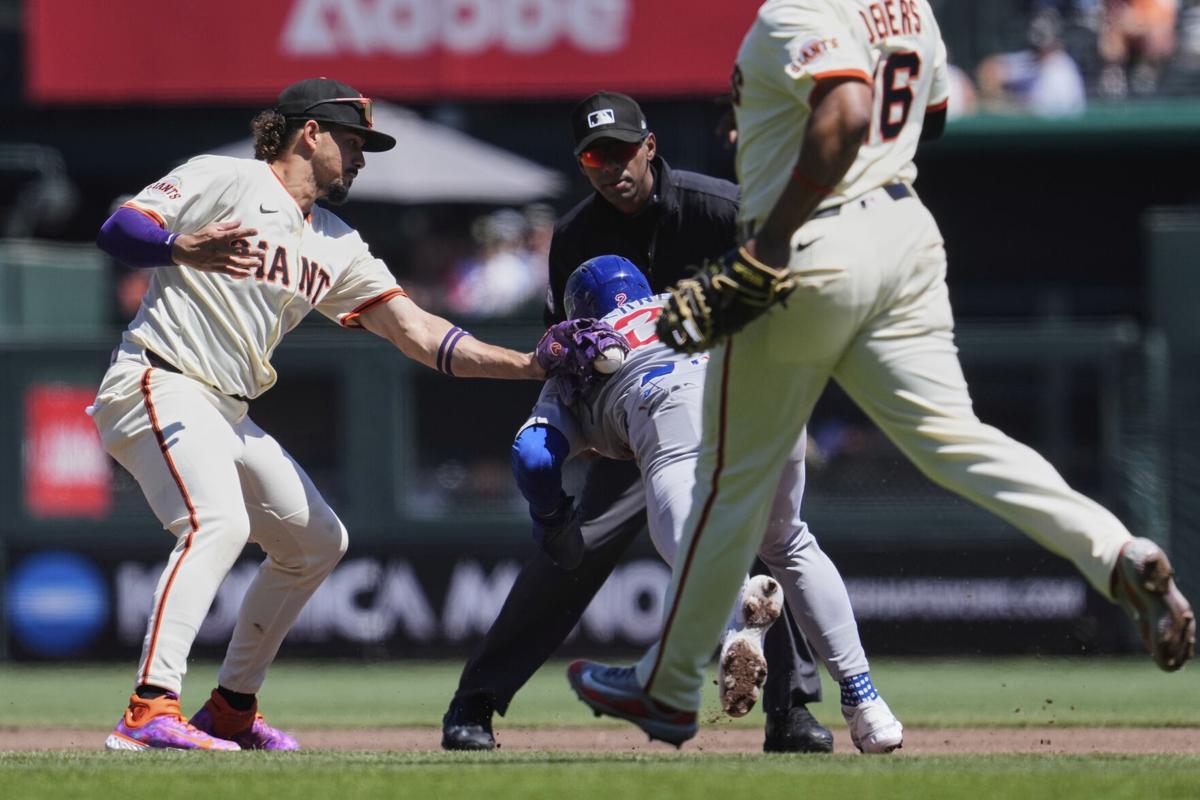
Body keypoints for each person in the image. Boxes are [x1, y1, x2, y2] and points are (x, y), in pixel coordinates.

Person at [569, 0, 1195, 747]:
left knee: (732, 479)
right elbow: (925, 116)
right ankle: (1116, 552)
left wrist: (768, 243)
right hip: (904, 235)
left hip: (809, 241)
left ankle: (667, 686)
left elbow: (845, 110)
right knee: (957, 441)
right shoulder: (909, 10)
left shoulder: (795, 11)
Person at [90, 77, 598, 752]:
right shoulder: (226, 179)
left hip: (225, 409)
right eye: (352, 141)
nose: (360, 157)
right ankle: (149, 709)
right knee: (217, 523)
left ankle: (232, 708)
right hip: (158, 377)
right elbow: (120, 227)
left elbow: (419, 333)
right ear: (310, 133)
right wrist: (180, 248)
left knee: (317, 544)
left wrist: (530, 363)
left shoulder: (334, 242)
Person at [442, 91, 837, 754]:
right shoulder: (575, 237)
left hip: (724, 407)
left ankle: (791, 710)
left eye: (623, 150)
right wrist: (583, 420)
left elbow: (792, 298)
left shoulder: (720, 209)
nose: (611, 165)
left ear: (649, 146)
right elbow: (561, 344)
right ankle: (474, 703)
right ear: (581, 160)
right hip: (629, 421)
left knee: (765, 542)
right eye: (596, 154)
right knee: (569, 551)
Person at [542, 256, 903, 750]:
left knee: (695, 550)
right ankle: (868, 707)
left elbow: (533, 456)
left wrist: (552, 515)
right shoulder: (686, 298)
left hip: (675, 421)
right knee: (790, 540)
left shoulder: (581, 348)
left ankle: (738, 610)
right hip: (770, 399)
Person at [976, 8, 1087, 116]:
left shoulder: (1061, 72)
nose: (1041, 51)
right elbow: (990, 68)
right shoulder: (1034, 58)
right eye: (1037, 48)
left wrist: (1002, 103)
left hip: (1061, 131)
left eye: (1047, 47)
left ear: (1058, 44)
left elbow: (1034, 112)